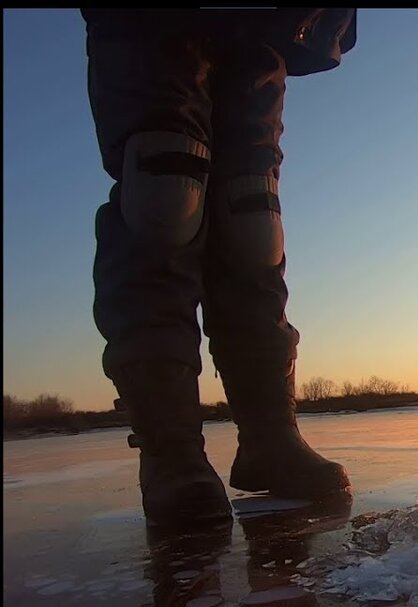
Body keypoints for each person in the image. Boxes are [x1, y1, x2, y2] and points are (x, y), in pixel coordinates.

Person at [82, 9, 357, 528]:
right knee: (165, 191)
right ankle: (171, 453)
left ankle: (270, 438)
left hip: (265, 25)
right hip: (150, 29)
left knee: (251, 213)